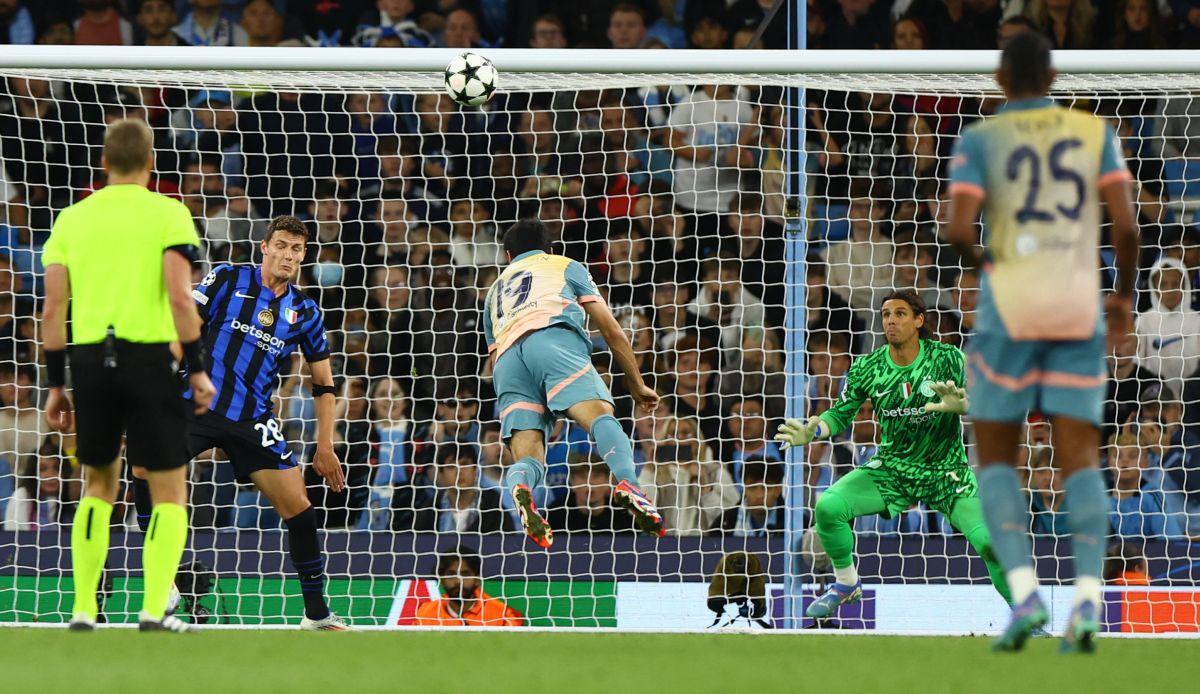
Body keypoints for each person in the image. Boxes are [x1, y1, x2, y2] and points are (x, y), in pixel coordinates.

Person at [945, 31, 1141, 652]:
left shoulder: (981, 139)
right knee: (1079, 457)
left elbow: (954, 228)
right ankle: (1087, 601)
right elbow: (1128, 225)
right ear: (1054, 78)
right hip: (1075, 304)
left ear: (1001, 82)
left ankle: (1027, 596)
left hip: (1009, 308)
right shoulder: (1092, 133)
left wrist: (988, 261)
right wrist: (1122, 299)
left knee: (997, 457)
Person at [130, 215, 349, 631]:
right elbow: (184, 326)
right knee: (142, 464)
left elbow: (324, 383)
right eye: (281, 245)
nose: (288, 254)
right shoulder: (228, 278)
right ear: (264, 247)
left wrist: (325, 444)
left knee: (299, 510)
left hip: (252, 417)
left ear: (304, 256)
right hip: (195, 402)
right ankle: (166, 579)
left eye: (297, 249)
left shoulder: (305, 311)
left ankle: (317, 614)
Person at [41, 118, 216, 632]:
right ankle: (153, 607)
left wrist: (56, 384)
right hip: (148, 361)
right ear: (150, 163)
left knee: (96, 485)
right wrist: (199, 368)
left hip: (91, 361)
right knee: (167, 490)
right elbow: (181, 296)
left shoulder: (72, 218)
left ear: (103, 162)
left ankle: (82, 609)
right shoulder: (169, 213)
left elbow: (54, 310)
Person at [775, 290, 1011, 620]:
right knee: (828, 506)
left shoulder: (948, 358)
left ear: (918, 320)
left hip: (944, 471)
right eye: (886, 315)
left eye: (900, 314)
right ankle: (846, 584)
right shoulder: (869, 367)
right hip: (892, 469)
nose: (891, 321)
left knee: (989, 543)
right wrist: (813, 431)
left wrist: (965, 406)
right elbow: (842, 414)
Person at [483, 219, 664, 548]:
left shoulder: (494, 291)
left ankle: (521, 488)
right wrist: (636, 383)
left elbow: (494, 359)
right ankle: (628, 482)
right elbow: (611, 330)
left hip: (507, 364)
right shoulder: (564, 265)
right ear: (550, 249)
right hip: (552, 340)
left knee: (529, 458)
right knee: (601, 419)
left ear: (509, 256)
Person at [414, 549, 524, 626]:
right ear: (442, 579)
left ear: (477, 579)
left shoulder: (504, 615)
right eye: (451, 574)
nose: (458, 581)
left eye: (465, 574)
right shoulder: (425, 613)